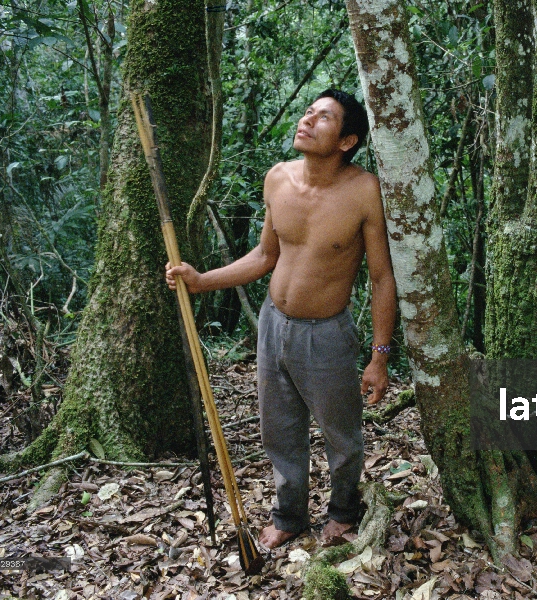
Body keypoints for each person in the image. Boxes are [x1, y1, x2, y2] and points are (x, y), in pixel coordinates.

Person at [165, 89, 396, 549]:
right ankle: (288, 516)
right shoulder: (279, 178)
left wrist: (380, 357)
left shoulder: (364, 191)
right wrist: (201, 280)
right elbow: (266, 255)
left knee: (341, 435)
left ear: (347, 140)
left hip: (327, 332)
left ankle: (344, 511)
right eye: (309, 111)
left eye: (324, 117)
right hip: (273, 325)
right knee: (279, 429)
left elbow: (382, 277)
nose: (308, 120)